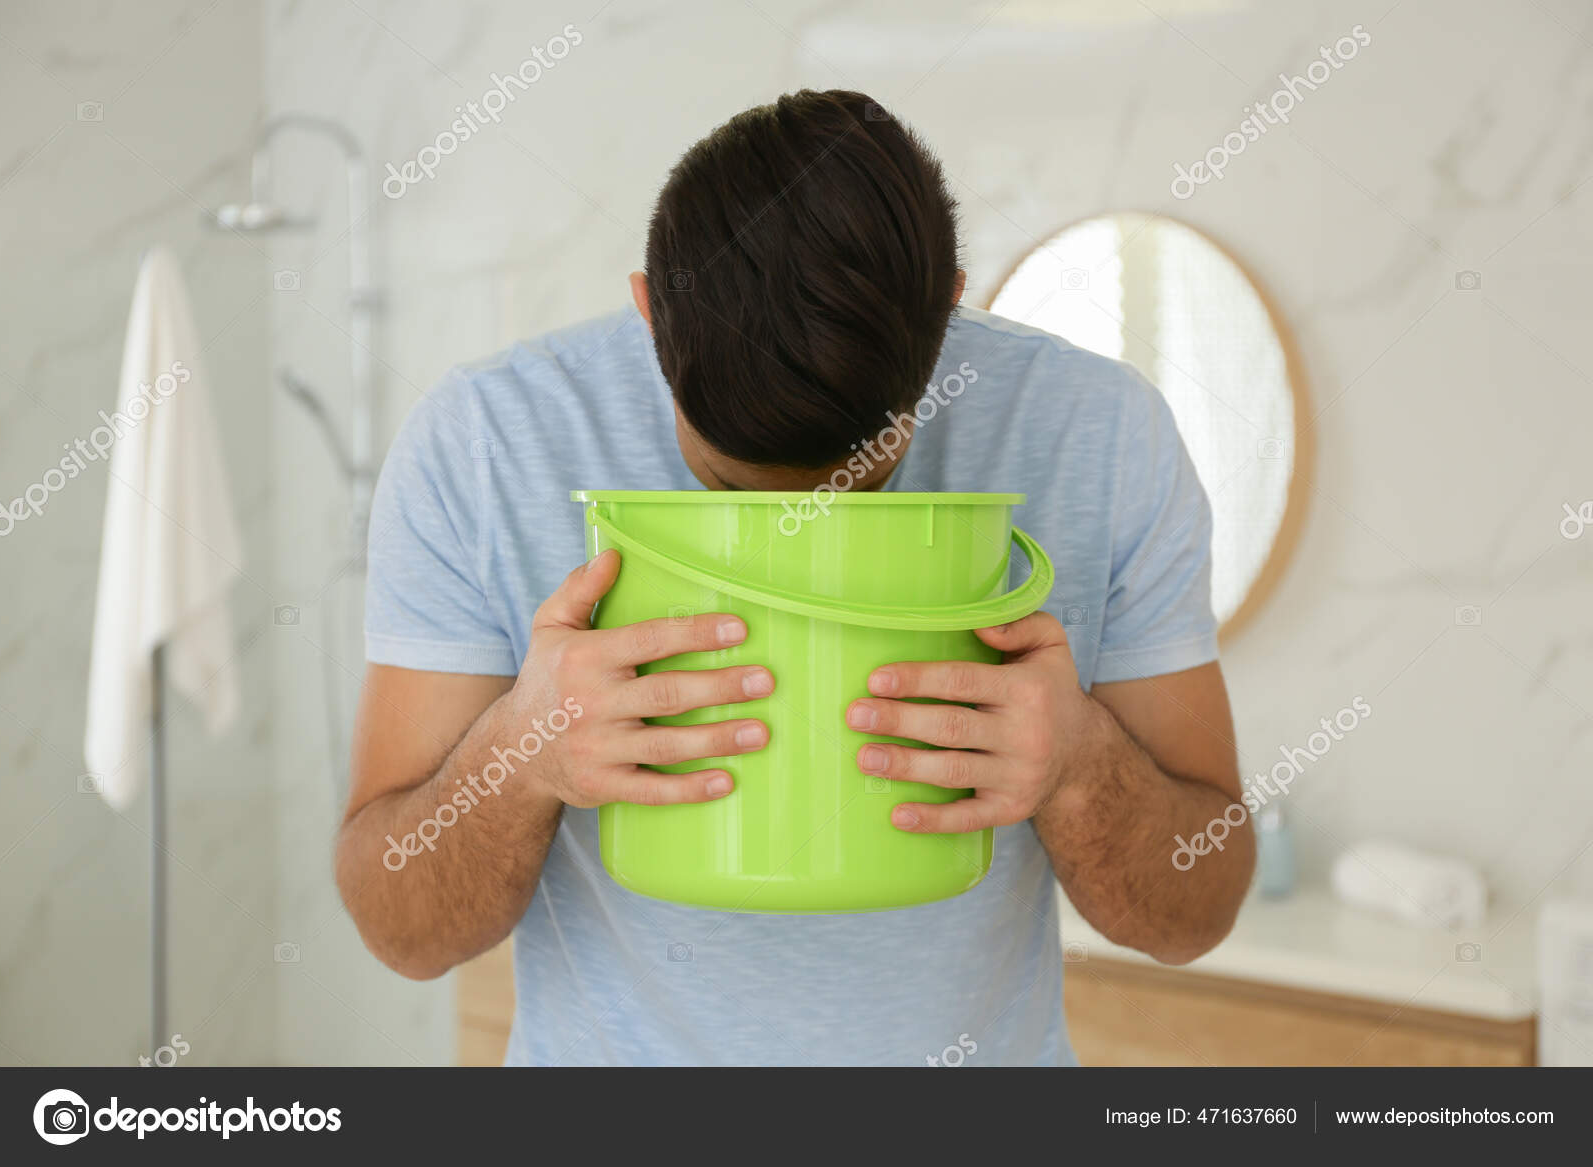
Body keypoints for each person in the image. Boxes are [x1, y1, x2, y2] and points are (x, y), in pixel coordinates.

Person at [336, 88, 1253, 1066]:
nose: (807, 522)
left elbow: (1191, 915)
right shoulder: (485, 440)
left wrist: (1077, 767)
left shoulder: (1100, 433)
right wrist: (520, 757)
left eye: (865, 478)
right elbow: (401, 932)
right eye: (729, 482)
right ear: (652, 319)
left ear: (945, 311)